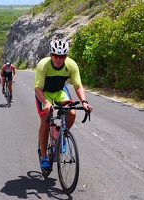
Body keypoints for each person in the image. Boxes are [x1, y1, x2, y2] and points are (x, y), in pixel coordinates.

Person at [35, 39, 93, 169]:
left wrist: (84, 102)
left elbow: (78, 85)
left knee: (72, 112)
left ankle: (60, 133)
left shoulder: (71, 65)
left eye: (62, 56)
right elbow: (37, 88)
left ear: (66, 56)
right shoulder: (43, 65)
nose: (58, 59)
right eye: (55, 56)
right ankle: (44, 156)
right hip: (44, 93)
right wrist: (46, 103)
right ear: (51, 55)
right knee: (45, 120)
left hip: (60, 91)